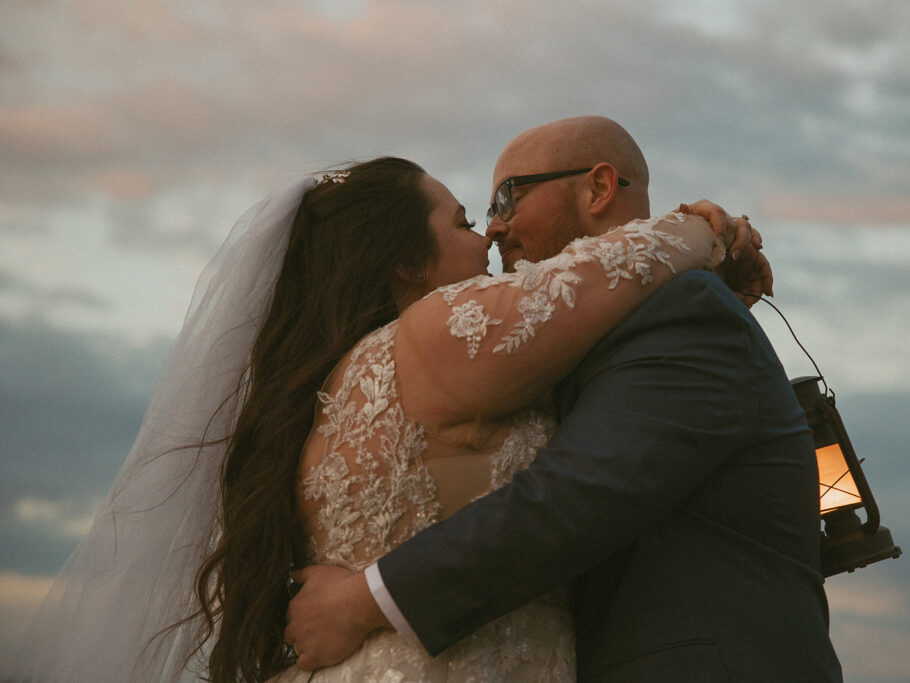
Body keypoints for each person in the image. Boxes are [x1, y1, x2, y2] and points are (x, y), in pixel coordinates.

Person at [19, 153, 741, 682]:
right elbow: (605, 274)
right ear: (406, 262)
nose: (486, 238)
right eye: (461, 221)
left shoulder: (324, 391)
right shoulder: (435, 334)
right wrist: (705, 230)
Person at [284, 117, 843, 681]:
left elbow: (576, 495)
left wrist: (366, 600)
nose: (495, 229)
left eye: (508, 198)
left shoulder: (687, 310)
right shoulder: (546, 353)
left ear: (598, 189)